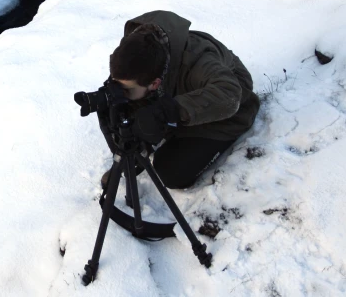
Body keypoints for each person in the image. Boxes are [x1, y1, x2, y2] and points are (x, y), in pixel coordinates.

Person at [102, 10, 260, 189]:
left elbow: (229, 95)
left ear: (155, 84)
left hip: (229, 107)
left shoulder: (198, 60)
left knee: (172, 173)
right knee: (122, 110)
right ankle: (139, 149)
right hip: (172, 91)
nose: (122, 92)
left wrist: (169, 111)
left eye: (127, 90)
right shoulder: (133, 50)